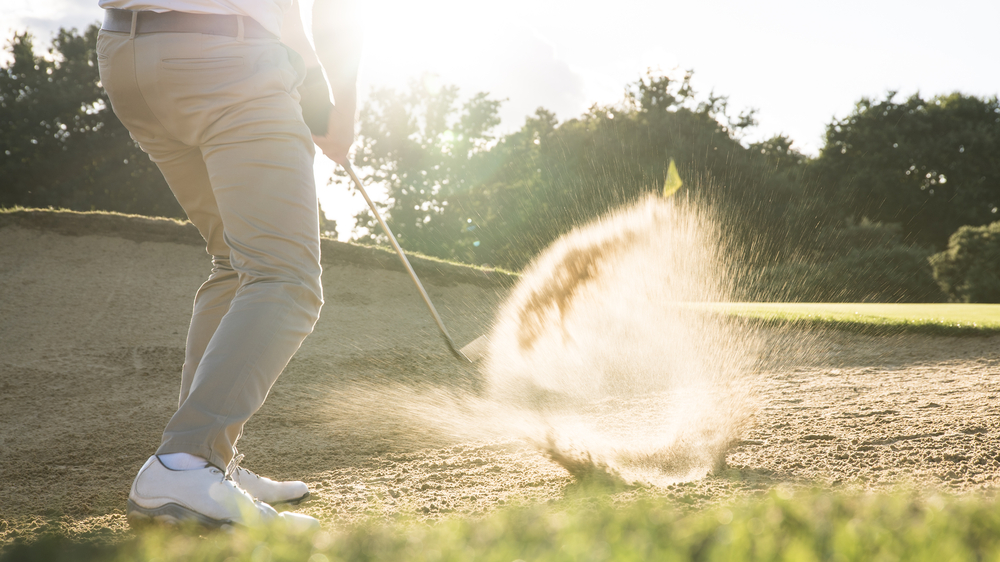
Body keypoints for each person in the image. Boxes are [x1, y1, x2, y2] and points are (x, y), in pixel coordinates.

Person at [96, 0, 360, 528]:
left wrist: (306, 86)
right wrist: (342, 109)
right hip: (225, 57)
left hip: (128, 54)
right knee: (286, 275)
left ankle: (208, 461)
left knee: (236, 262)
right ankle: (186, 462)